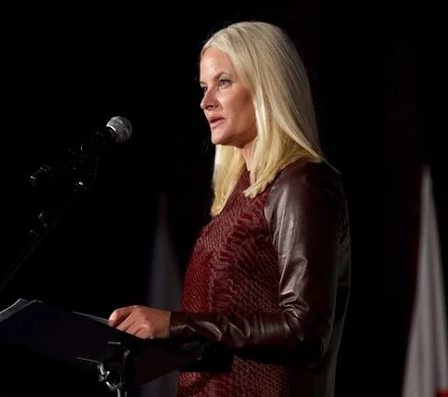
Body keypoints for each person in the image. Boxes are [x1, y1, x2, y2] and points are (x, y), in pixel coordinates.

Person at [107, 20, 351, 397]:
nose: (206, 102)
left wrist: (175, 325)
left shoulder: (301, 183)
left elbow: (304, 331)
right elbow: (224, 336)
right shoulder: (241, 194)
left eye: (223, 82)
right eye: (204, 87)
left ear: (266, 85)